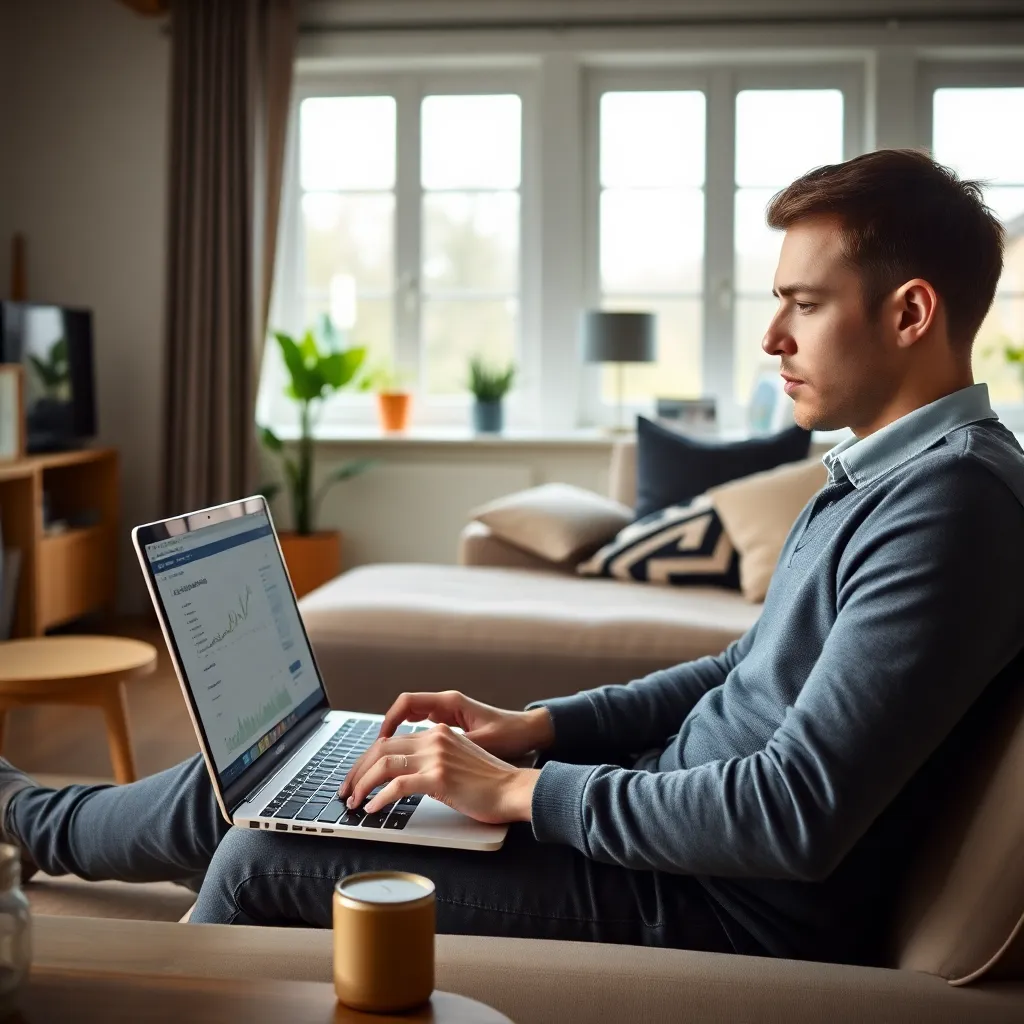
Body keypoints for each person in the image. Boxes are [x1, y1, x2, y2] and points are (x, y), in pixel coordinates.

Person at [3, 148, 1023, 967]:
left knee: (267, 854)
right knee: (301, 768)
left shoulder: (950, 507)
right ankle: (31, 819)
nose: (770, 337)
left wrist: (516, 790)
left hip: (723, 903)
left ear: (909, 313)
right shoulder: (885, 475)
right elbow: (737, 671)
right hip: (664, 826)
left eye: (802, 303)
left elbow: (792, 815)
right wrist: (536, 727)